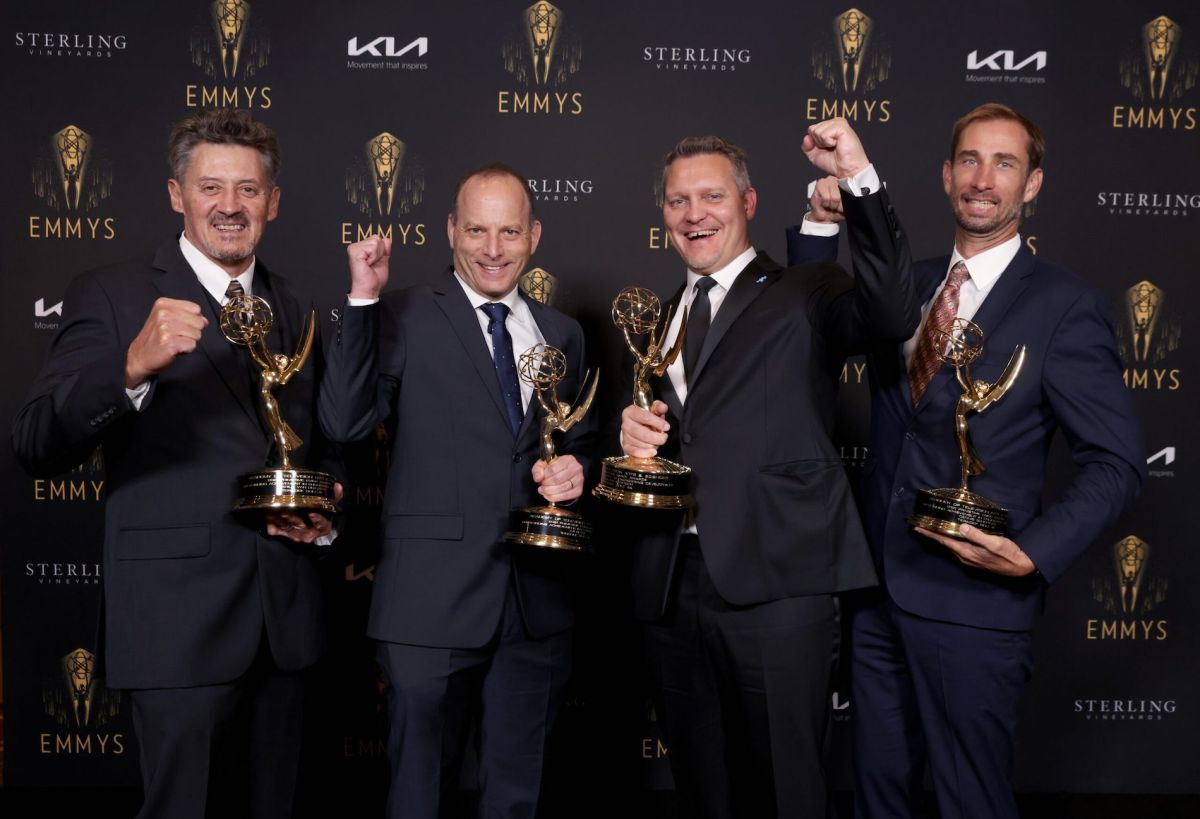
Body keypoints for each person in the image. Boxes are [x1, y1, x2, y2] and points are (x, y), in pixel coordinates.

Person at [786, 103, 1145, 819]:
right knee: (876, 798)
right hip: (876, 593)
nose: (984, 179)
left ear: (1033, 184)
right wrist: (822, 220)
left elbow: (1118, 461)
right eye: (970, 161)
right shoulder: (906, 284)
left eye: (1005, 163)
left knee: (969, 802)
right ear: (946, 175)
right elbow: (812, 320)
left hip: (977, 605)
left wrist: (1030, 553)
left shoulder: (1066, 308)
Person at [12, 109, 338, 819]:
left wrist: (323, 517)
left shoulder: (298, 307)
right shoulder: (113, 292)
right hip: (174, 627)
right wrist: (130, 366)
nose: (230, 206)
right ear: (175, 194)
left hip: (285, 624)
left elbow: (310, 448)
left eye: (248, 190)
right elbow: (37, 439)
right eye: (211, 186)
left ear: (273, 202)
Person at [616, 121, 916, 818]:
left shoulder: (804, 290)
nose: (695, 214)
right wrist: (631, 435)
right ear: (662, 214)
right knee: (704, 791)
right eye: (678, 200)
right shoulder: (662, 319)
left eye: (712, 196)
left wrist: (858, 176)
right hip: (674, 585)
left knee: (786, 792)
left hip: (779, 583)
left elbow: (893, 310)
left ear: (748, 204)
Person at [319, 163, 595, 819]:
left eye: (507, 231)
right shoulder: (404, 313)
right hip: (428, 604)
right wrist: (362, 301)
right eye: (476, 229)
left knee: (516, 796)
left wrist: (577, 472)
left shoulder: (562, 334)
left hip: (534, 604)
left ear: (533, 235)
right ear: (450, 231)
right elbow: (345, 421)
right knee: (418, 795)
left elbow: (575, 438)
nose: (492, 249)